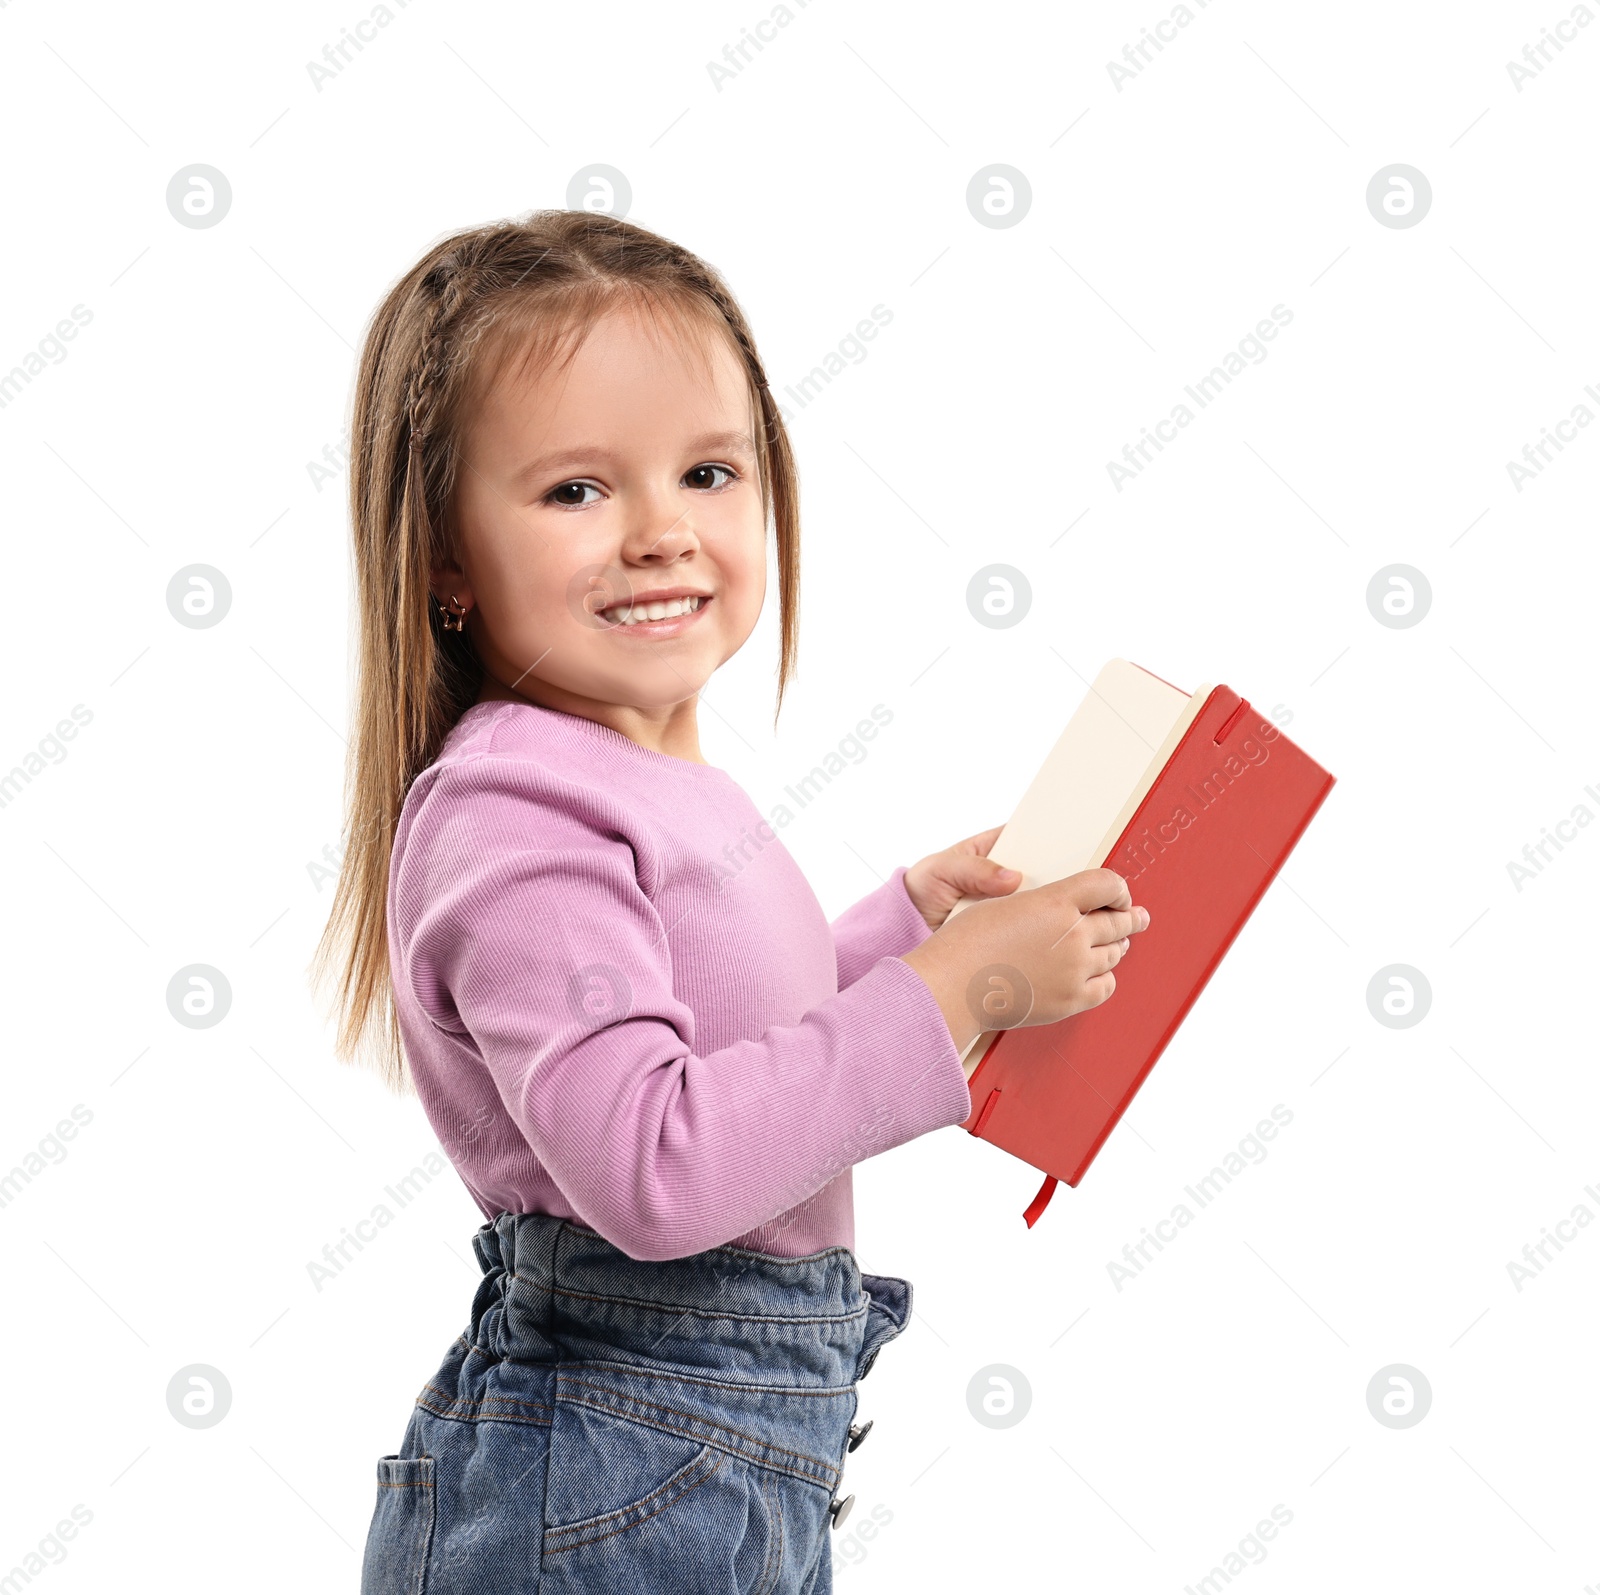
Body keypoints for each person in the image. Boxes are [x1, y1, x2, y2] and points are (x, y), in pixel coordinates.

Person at [312, 207, 1150, 1593]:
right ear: (447, 563)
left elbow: (707, 1048)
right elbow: (656, 1166)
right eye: (576, 491)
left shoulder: (632, 781)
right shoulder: (518, 815)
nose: (661, 532)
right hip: (614, 1472)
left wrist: (904, 934)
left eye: (707, 471)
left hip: (700, 1458)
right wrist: (952, 998)